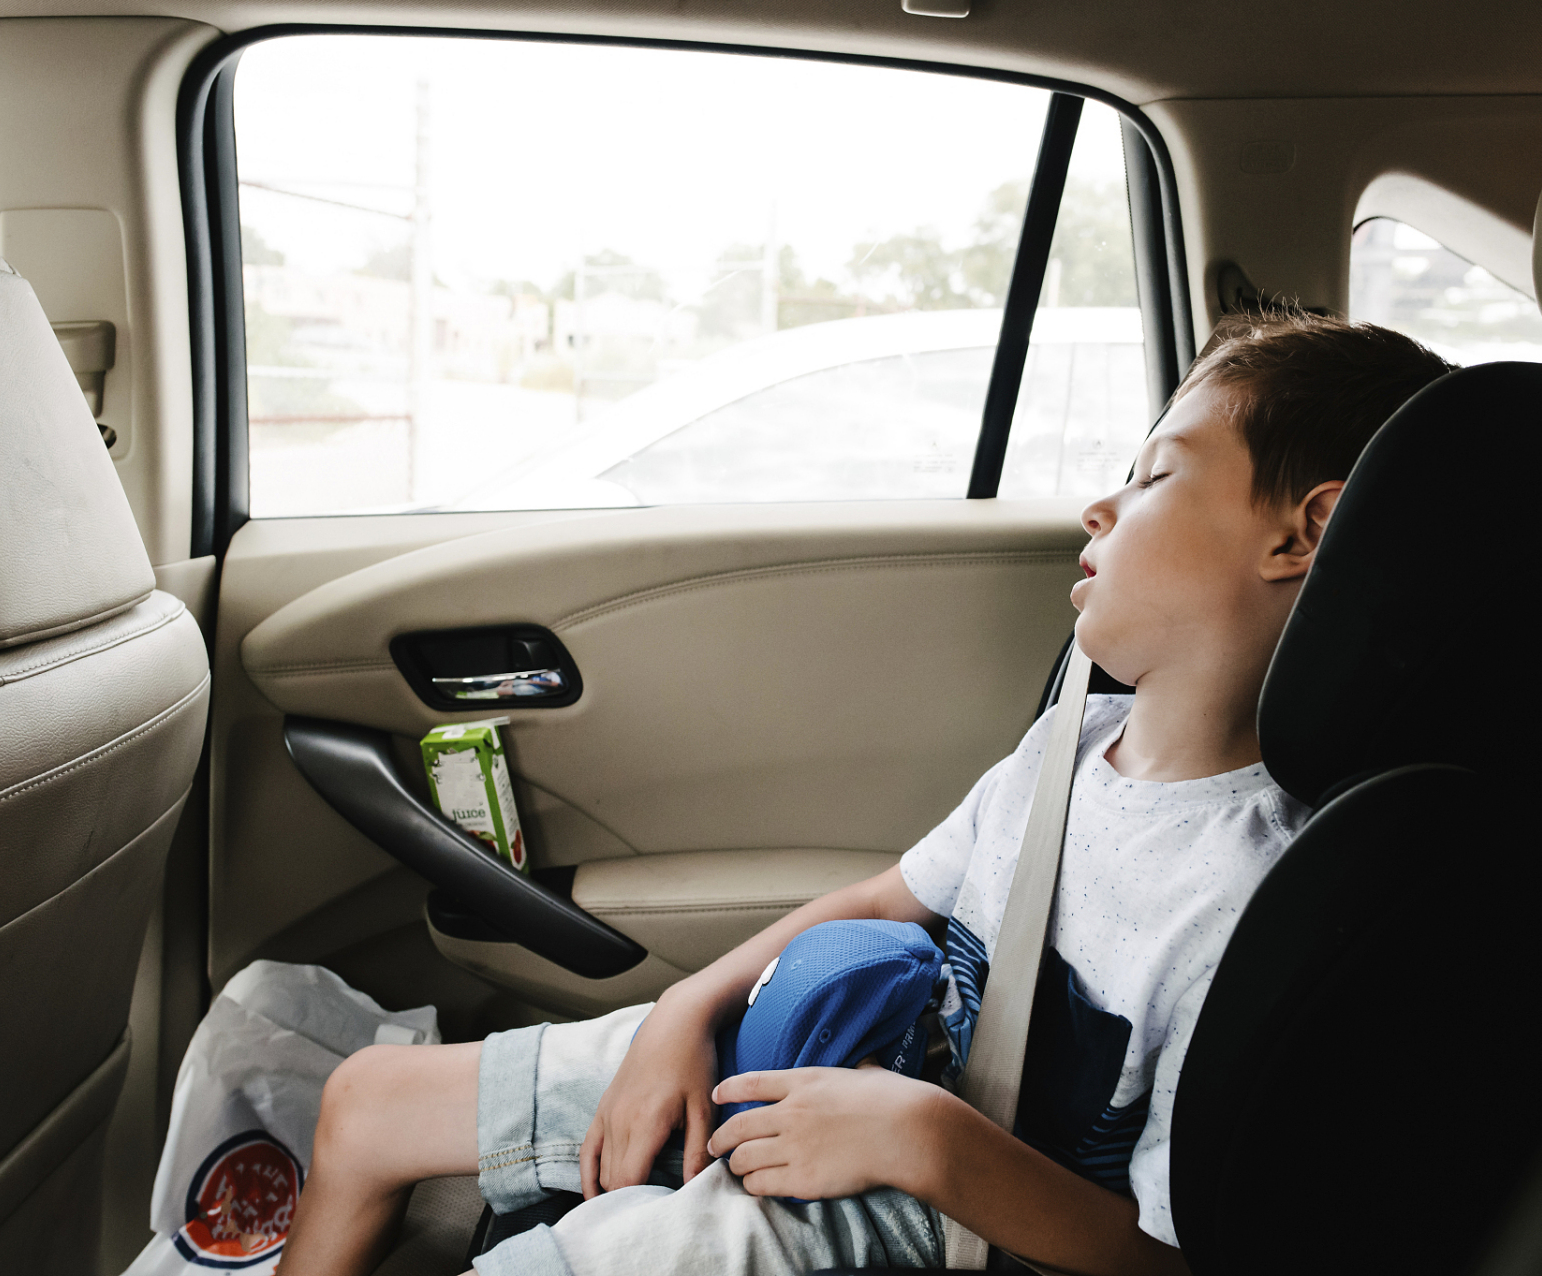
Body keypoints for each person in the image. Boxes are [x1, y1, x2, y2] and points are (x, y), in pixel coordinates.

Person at [275, 310, 1458, 1276]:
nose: (1098, 508)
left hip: (944, 1210)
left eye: (1152, 476)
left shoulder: (1260, 895)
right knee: (368, 1098)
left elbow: (1167, 1257)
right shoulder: (1069, 744)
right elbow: (889, 894)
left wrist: (924, 1138)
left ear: (1307, 532)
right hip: (851, 1057)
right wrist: (687, 1007)